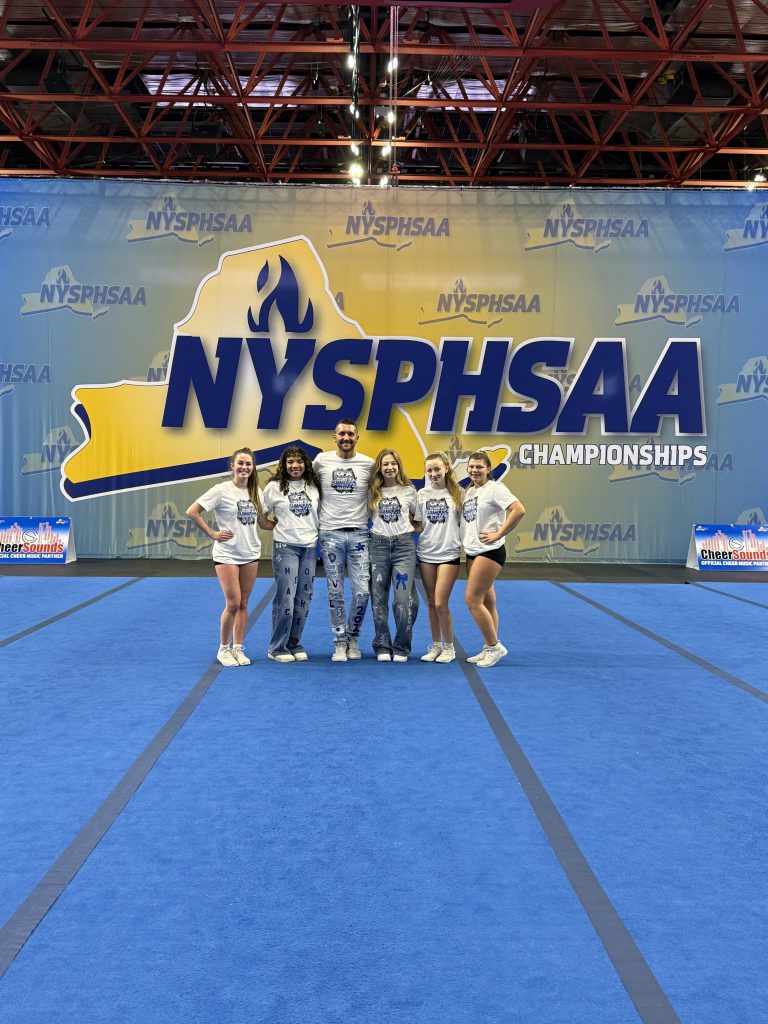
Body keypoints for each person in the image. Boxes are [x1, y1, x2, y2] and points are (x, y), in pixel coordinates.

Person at [186, 446, 264, 667]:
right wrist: (212, 533)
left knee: (244, 603)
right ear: (233, 465)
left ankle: (238, 648)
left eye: (248, 464)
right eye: (240, 463)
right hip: (227, 553)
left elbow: (263, 522)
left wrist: (285, 521)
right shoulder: (221, 490)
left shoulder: (257, 492)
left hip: (250, 552)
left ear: (253, 467)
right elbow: (192, 511)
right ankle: (223, 648)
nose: (244, 467)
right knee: (233, 603)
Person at [313, 420, 374, 662]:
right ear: (334, 437)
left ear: (357, 437)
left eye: (350, 433)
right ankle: (339, 641)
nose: (346, 437)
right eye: (341, 434)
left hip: (359, 534)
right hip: (330, 534)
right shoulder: (320, 461)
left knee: (361, 592)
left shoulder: (368, 464)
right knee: (335, 591)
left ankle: (353, 637)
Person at [461, 451, 525, 668]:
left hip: (489, 551)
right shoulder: (469, 492)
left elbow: (518, 510)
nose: (474, 470)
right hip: (472, 551)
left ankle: (495, 646)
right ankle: (489, 647)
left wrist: (499, 533)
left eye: (479, 467)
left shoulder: (495, 489)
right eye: (471, 467)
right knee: (487, 602)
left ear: (488, 469)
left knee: (472, 600)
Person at [260, 446, 322, 663]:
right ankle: (277, 647)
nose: (295, 466)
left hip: (309, 547)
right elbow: (261, 513)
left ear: (305, 463)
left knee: (303, 598)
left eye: (299, 461)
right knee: (286, 598)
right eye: (290, 462)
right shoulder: (274, 487)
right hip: (285, 547)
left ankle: (294, 642)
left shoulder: (314, 486)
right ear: (283, 465)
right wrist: (270, 526)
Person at [368, 449, 419, 662]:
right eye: (385, 464)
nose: (389, 467)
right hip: (378, 546)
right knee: (378, 599)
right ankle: (382, 642)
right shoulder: (372, 492)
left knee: (403, 601)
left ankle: (401, 644)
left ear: (399, 466)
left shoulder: (408, 491)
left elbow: (419, 520)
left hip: (403, 547)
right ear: (380, 467)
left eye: (393, 464)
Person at [412, 451, 463, 664]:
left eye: (437, 469)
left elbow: (465, 523)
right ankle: (435, 645)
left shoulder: (458, 493)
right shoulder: (421, 494)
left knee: (441, 602)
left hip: (449, 552)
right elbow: (419, 524)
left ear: (446, 469)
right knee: (432, 602)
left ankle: (449, 647)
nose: (433, 474)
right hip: (426, 552)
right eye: (429, 470)